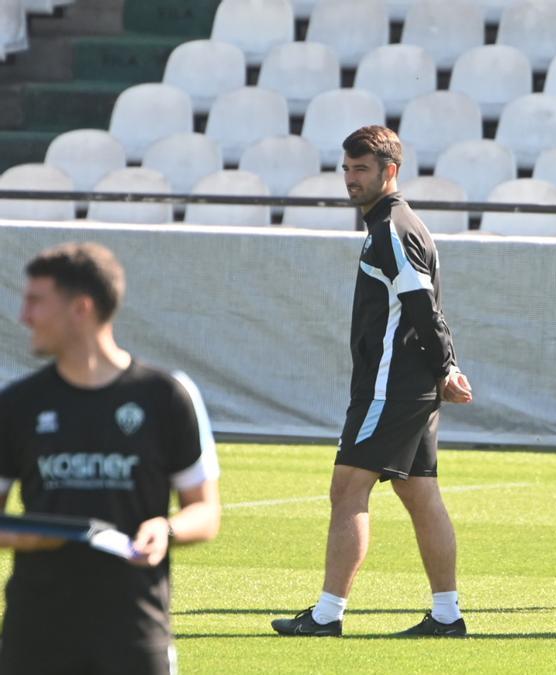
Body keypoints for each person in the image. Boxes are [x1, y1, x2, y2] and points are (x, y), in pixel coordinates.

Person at [271, 126, 473, 638]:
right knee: (420, 494)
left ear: (390, 171)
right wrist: (443, 369)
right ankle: (447, 616)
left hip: (392, 384)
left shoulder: (393, 228)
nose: (350, 179)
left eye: (361, 169)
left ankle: (327, 614)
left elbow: (423, 307)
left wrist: (446, 365)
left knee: (347, 489)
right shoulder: (390, 225)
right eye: (346, 168)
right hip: (404, 383)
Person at [0, 242, 222, 674]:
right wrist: (30, 536)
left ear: (80, 308)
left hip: (134, 629)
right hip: (35, 631)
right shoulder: (16, 404)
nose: (23, 316)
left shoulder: (166, 396)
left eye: (35, 302)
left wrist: (167, 528)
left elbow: (206, 513)